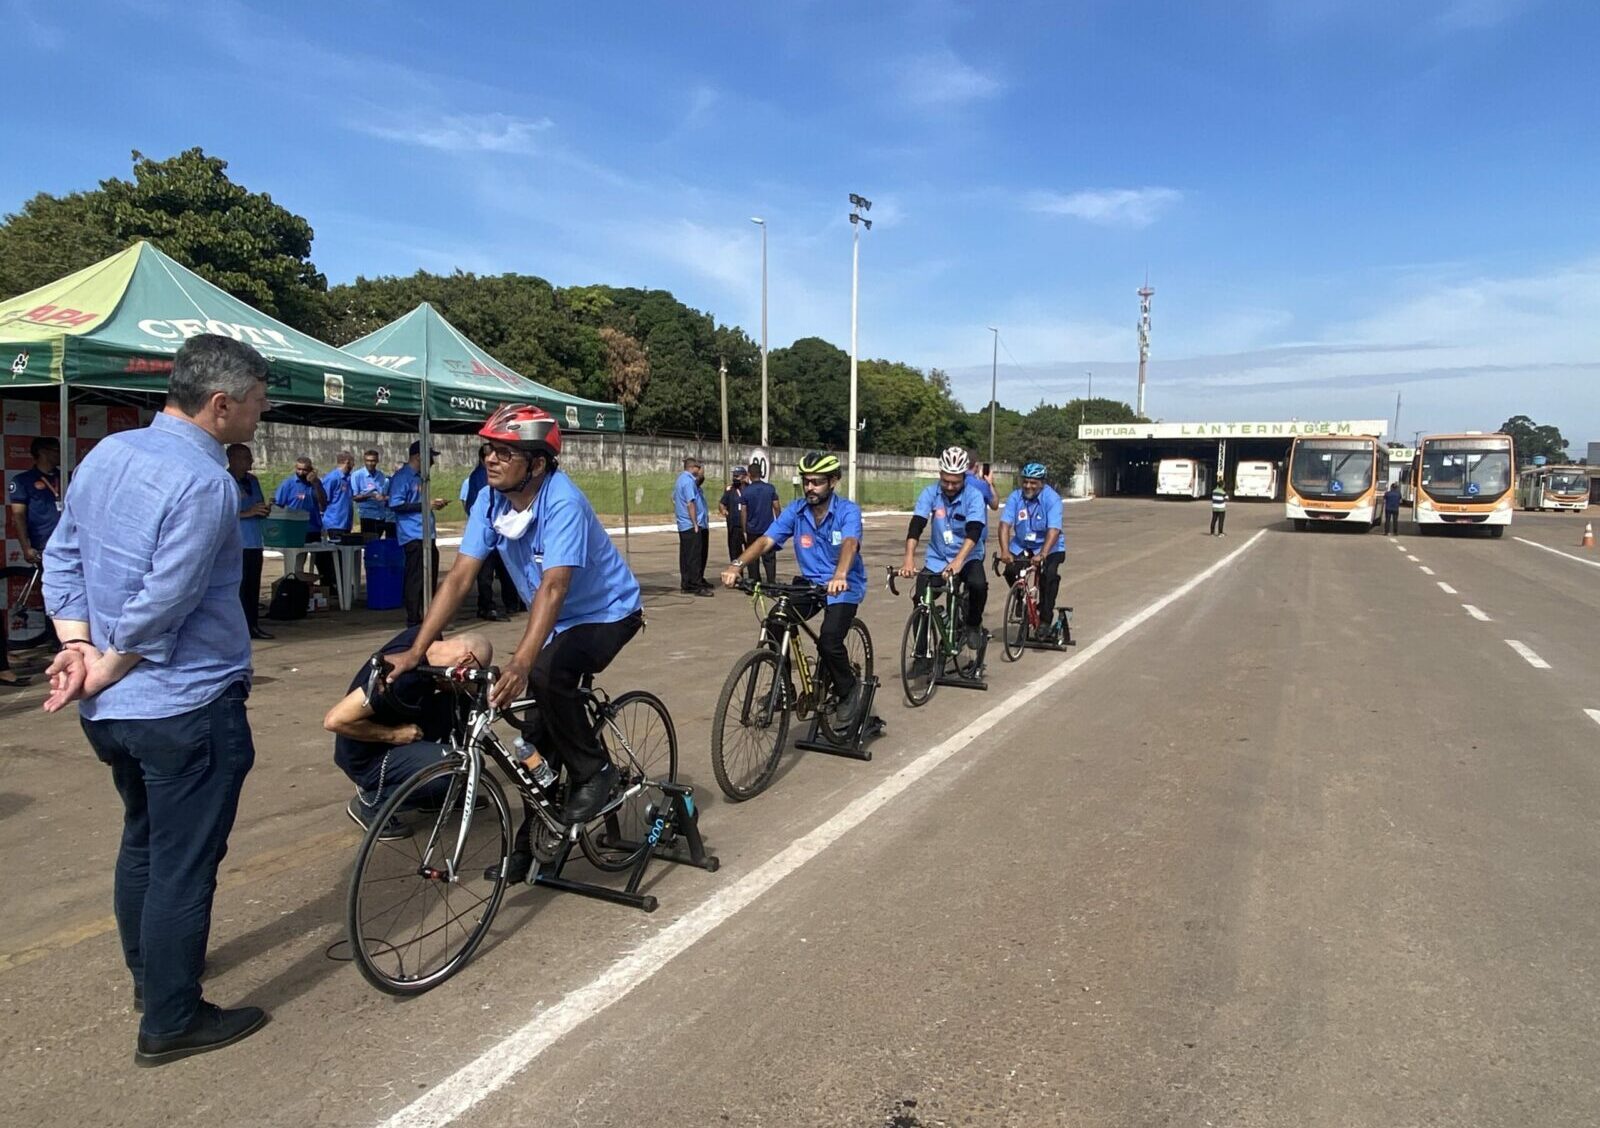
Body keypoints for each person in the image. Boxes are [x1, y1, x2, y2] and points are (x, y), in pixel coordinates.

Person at [41, 333, 270, 1065]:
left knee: (143, 837)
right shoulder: (206, 484)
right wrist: (105, 664)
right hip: (180, 701)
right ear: (222, 404)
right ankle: (171, 1016)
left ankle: (152, 975)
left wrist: (75, 645)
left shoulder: (109, 455)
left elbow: (64, 555)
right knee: (183, 859)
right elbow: (162, 600)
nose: (260, 419)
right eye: (258, 404)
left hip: (113, 713)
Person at [385, 404, 644, 878]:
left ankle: (595, 773)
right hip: (557, 621)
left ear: (538, 464)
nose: (491, 459)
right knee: (532, 740)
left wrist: (523, 662)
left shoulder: (562, 501)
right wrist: (418, 648)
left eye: (505, 452)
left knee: (547, 674)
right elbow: (461, 577)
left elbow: (554, 587)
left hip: (607, 614)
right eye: (488, 449)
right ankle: (531, 838)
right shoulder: (489, 500)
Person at [722, 451, 867, 724]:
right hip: (810, 586)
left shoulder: (848, 511)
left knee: (829, 641)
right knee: (775, 620)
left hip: (843, 586)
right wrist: (737, 565)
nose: (810, 487)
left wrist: (841, 574)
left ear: (833, 481)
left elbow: (850, 544)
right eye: (806, 481)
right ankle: (782, 689)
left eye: (817, 482)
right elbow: (766, 540)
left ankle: (848, 690)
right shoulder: (796, 511)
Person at [323, 627, 493, 839]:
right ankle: (373, 802)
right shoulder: (401, 677)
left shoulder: (425, 640)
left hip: (402, 723)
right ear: (465, 661)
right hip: (369, 754)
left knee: (472, 700)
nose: (464, 681)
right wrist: (393, 734)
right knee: (460, 765)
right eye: (468, 675)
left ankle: (444, 794)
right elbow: (335, 720)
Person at [899, 446, 989, 653]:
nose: (949, 486)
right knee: (920, 599)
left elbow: (974, 531)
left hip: (968, 556)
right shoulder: (930, 493)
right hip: (937, 557)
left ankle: (973, 624)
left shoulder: (973, 496)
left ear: (964, 477)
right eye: (945, 481)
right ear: (940, 474)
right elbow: (917, 525)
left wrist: (958, 561)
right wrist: (909, 559)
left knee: (977, 585)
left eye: (955, 482)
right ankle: (921, 653)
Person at [998, 462, 1066, 640]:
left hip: (1049, 546)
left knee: (1048, 576)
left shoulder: (1052, 499)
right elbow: (1005, 525)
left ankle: (1044, 620)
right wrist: (1005, 551)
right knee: (1010, 570)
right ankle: (1021, 596)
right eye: (1026, 482)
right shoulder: (1015, 497)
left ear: (1042, 483)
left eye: (1033, 482)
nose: (1028, 486)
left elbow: (1054, 530)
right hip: (1021, 544)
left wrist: (1043, 554)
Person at [7, 435, 63, 651]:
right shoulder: (22, 480)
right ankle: (56, 640)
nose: (60, 454)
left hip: (69, 543)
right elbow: (18, 516)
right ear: (42, 452)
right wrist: (25, 547)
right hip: (44, 543)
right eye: (56, 450)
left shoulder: (65, 477)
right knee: (53, 589)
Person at [387, 441, 448, 627]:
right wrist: (426, 505)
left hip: (427, 534)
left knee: (429, 577)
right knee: (416, 579)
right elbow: (395, 504)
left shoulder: (420, 478)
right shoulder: (403, 478)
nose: (432, 462)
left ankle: (427, 616)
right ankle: (414, 618)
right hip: (413, 535)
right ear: (418, 456)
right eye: (429, 457)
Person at [460, 442, 523, 621]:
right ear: (483, 458)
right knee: (486, 573)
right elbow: (472, 505)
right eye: (489, 455)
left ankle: (510, 602)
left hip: (502, 530)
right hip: (490, 531)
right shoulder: (479, 478)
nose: (492, 460)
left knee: (504, 569)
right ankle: (490, 605)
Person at [227, 443, 273, 641]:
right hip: (236, 543)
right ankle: (236, 629)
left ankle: (252, 625)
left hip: (254, 541)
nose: (251, 461)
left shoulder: (252, 481)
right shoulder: (225, 481)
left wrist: (263, 510)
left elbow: (258, 504)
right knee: (238, 588)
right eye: (246, 457)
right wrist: (248, 513)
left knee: (252, 587)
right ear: (233, 459)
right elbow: (222, 513)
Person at [273, 456, 334, 592]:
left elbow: (323, 505)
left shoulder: (316, 484)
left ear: (311, 470)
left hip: (313, 528)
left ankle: (328, 587)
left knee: (324, 560)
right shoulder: (288, 484)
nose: (301, 473)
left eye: (305, 470)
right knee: (297, 562)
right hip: (294, 529)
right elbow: (278, 505)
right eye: (299, 469)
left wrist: (316, 484)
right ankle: (292, 589)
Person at [739, 459, 781, 585]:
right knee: (769, 558)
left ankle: (754, 581)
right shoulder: (770, 488)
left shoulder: (746, 491)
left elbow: (744, 512)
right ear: (761, 473)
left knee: (752, 557)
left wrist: (744, 529)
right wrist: (779, 523)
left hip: (752, 529)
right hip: (768, 529)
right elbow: (777, 506)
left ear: (749, 475)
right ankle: (771, 582)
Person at [673, 456, 711, 595]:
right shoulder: (688, 482)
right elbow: (691, 503)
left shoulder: (681, 480)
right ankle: (695, 585)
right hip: (691, 524)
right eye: (699, 467)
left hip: (686, 523)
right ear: (693, 467)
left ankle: (688, 582)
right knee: (694, 556)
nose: (701, 470)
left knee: (687, 556)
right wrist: (695, 523)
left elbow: (674, 498)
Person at [351, 449, 392, 540]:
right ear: (364, 461)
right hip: (367, 516)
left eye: (373, 461)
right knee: (368, 544)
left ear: (377, 461)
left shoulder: (381, 475)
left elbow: (383, 494)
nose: (370, 463)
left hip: (381, 516)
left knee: (378, 544)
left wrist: (385, 498)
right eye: (368, 461)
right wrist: (371, 495)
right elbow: (354, 497)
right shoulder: (357, 475)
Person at [321, 450, 355, 537]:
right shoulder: (332, 478)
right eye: (352, 462)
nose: (354, 465)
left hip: (346, 524)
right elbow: (323, 500)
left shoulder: (348, 479)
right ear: (347, 462)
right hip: (334, 524)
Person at [718, 466, 747, 568]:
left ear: (744, 477)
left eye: (737, 476)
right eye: (733, 476)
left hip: (747, 527)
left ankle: (754, 576)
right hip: (734, 527)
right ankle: (737, 576)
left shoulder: (749, 489)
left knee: (750, 553)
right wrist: (724, 510)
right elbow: (722, 503)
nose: (735, 478)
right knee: (735, 554)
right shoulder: (730, 490)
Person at [966, 449, 1000, 513]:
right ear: (976, 465)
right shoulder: (982, 485)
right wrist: (990, 484)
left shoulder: (957, 481)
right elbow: (995, 505)